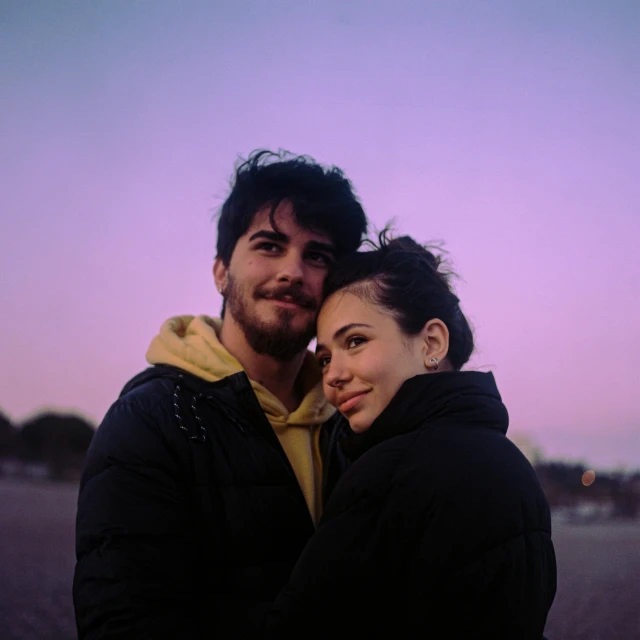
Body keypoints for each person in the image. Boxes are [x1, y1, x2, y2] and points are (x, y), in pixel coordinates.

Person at [72, 150, 367, 638]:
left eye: (317, 256)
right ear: (221, 271)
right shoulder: (149, 420)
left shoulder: (353, 419)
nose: (293, 270)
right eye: (270, 246)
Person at [264, 234, 557, 639]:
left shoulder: (392, 471)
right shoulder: (506, 459)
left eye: (356, 341)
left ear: (432, 342)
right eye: (326, 357)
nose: (332, 375)